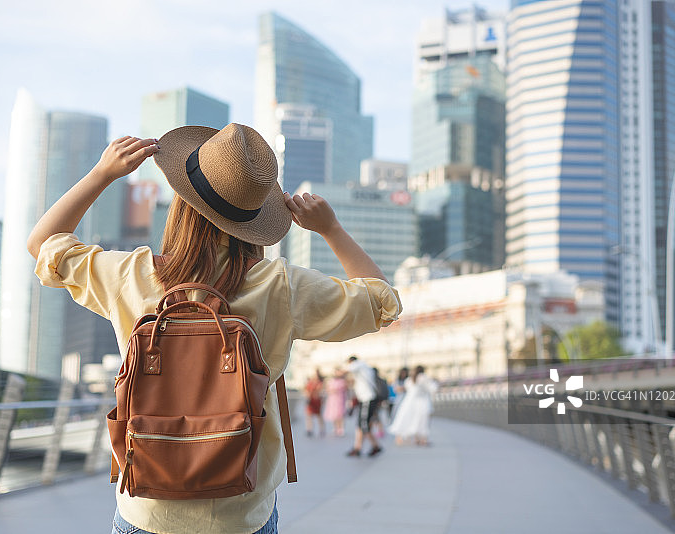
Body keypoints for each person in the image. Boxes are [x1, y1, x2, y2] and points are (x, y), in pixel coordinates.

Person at [26, 123, 401, 534]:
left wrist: (102, 174)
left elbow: (43, 244)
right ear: (254, 220)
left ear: (181, 203)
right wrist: (331, 229)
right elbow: (382, 301)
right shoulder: (280, 285)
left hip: (147, 511)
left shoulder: (132, 274)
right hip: (242, 512)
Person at [388, 365, 439, 446]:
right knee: (422, 421)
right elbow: (433, 388)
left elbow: (404, 388)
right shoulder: (423, 377)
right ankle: (422, 440)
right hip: (422, 402)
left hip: (408, 402)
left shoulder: (410, 379)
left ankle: (405, 438)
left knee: (408, 419)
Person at [345, 355, 383, 457]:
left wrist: (339, 372)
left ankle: (375, 446)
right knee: (360, 424)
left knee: (364, 424)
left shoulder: (359, 364)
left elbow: (348, 369)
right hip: (364, 400)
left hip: (368, 399)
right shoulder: (363, 369)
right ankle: (357, 447)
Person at [323, 367, 348, 437]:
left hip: (340, 399)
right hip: (332, 400)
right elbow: (327, 389)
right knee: (334, 414)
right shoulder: (330, 381)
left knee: (340, 414)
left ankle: (341, 428)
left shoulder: (343, 381)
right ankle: (336, 427)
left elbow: (345, 389)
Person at [303, 369, 325, 437]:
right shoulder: (310, 383)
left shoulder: (319, 383)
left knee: (319, 415)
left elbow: (321, 392)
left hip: (317, 401)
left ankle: (321, 429)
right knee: (309, 415)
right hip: (311, 400)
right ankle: (309, 429)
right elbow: (305, 391)